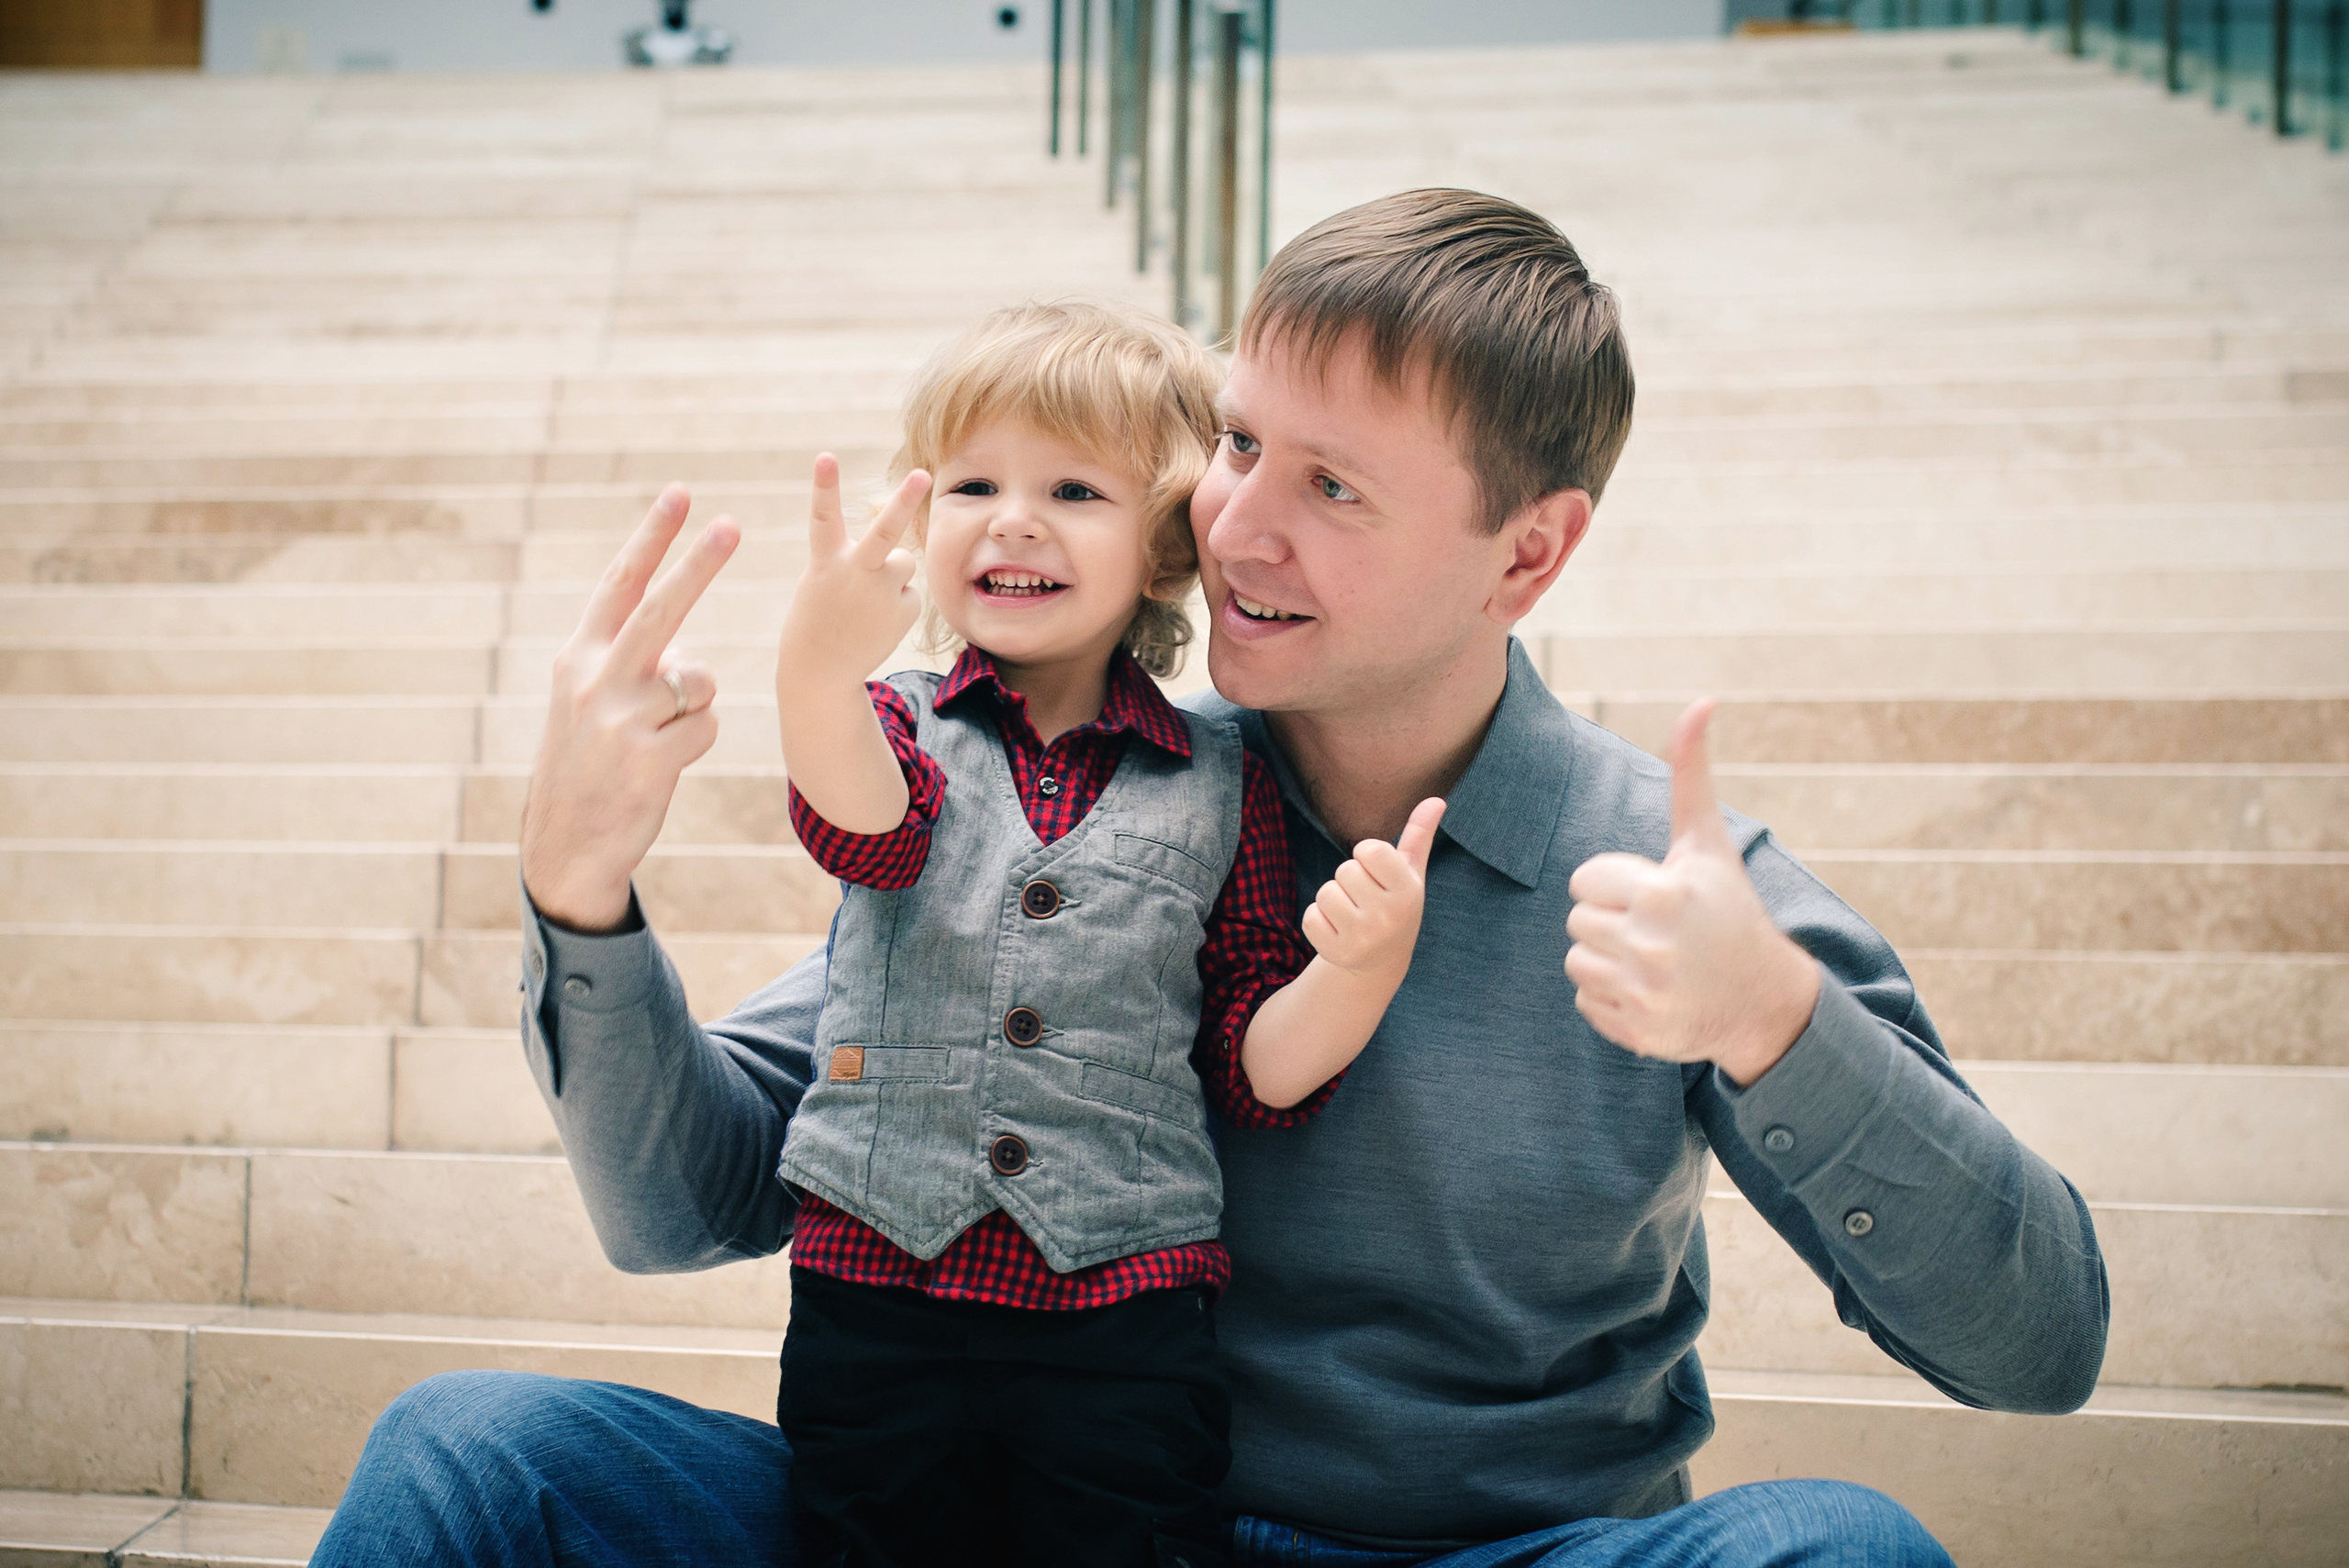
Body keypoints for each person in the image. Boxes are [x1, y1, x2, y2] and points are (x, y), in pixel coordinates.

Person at [313, 188, 2109, 1568]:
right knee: (472, 1458)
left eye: (1335, 487)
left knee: (1842, 1551)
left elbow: (2038, 1342)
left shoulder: (1675, 883)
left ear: (1528, 556)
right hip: (1009, 1511)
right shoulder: (1076, 786)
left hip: (1479, 1550)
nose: (1235, 524)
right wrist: (579, 897)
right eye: (1239, 444)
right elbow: (687, 1197)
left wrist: (1774, 1021)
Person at [766, 301, 1440, 1566]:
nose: (1014, 520)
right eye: (973, 484)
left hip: (1123, 1308)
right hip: (877, 1283)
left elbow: (1253, 1064)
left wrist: (1357, 972)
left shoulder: (1222, 779)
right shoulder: (893, 723)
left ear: (1167, 548)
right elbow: (866, 831)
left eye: (1073, 490)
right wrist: (813, 665)